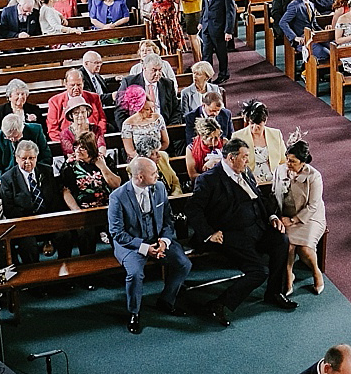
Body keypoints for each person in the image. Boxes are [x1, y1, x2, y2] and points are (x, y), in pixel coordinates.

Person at [188, 140, 297, 324]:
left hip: (257, 227)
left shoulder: (245, 172)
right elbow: (193, 209)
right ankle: (218, 304)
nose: (248, 160)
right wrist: (210, 233)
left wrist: (272, 216)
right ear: (231, 157)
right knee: (259, 271)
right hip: (231, 235)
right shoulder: (209, 179)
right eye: (244, 156)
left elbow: (259, 197)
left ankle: (273, 292)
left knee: (281, 241)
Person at [108, 157, 192, 334]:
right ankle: (134, 312)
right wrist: (145, 248)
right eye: (153, 173)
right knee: (135, 273)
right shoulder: (118, 197)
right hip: (131, 244)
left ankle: (166, 301)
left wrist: (164, 241)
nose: (158, 176)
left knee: (184, 264)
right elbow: (117, 233)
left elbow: (168, 219)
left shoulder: (159, 188)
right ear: (139, 177)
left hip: (157, 238)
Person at [59, 132, 122, 256]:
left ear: (91, 149)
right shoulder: (70, 165)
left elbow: (116, 184)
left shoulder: (104, 160)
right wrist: (77, 211)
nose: (77, 151)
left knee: (118, 228)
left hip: (107, 207)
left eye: (82, 148)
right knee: (86, 234)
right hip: (84, 210)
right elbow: (66, 191)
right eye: (75, 147)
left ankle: (122, 259)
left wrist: (103, 167)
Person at [276, 141, 327, 295]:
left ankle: (316, 273)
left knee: (305, 249)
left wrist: (293, 220)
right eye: (287, 159)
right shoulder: (280, 171)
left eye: (292, 161)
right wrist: (281, 217)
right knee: (288, 245)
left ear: (303, 162)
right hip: (287, 215)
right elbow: (274, 194)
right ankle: (289, 275)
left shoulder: (314, 176)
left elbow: (313, 206)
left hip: (310, 217)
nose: (288, 164)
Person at [0, 140, 62, 259]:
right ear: (17, 158)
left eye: (31, 158)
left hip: (49, 219)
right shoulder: (8, 179)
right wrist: (32, 222)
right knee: (27, 245)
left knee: (64, 235)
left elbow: (55, 198)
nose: (27, 162)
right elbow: (9, 209)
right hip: (25, 223)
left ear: (36, 158)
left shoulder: (47, 171)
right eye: (23, 158)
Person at [118, 85, 181, 190]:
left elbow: (165, 142)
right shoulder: (128, 124)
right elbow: (130, 150)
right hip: (138, 160)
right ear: (138, 109)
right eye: (147, 109)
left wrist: (154, 154)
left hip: (158, 155)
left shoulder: (157, 118)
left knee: (170, 177)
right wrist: (146, 159)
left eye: (153, 108)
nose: (152, 112)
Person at [117, 53, 182, 130]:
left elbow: (176, 110)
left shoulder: (168, 84)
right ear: (144, 68)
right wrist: (128, 131)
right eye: (154, 70)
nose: (158, 74)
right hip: (138, 129)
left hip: (165, 127)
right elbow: (120, 111)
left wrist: (170, 129)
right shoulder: (129, 83)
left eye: (160, 70)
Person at [231, 99, 287, 185]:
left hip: (274, 176)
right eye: (252, 123)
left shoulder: (276, 134)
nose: (254, 127)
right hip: (249, 177)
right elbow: (234, 163)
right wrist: (249, 177)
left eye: (259, 125)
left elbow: (283, 160)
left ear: (265, 121)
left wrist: (280, 176)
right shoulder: (238, 136)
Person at [199, 0, 236, 83]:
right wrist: (201, 21)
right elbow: (204, 6)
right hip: (206, 26)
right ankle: (207, 77)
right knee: (206, 53)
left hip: (219, 28)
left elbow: (230, 12)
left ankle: (224, 74)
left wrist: (229, 31)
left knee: (221, 53)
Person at [49, 69, 106, 142]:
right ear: (65, 84)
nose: (76, 88)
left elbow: (102, 120)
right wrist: (66, 144)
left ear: (83, 83)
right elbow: (53, 130)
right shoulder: (55, 102)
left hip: (93, 139)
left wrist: (97, 137)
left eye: (79, 85)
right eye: (72, 85)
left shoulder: (94, 97)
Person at [280, 0, 320, 71]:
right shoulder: (294, 6)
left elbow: (313, 23)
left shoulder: (311, 4)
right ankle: (306, 71)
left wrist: (323, 33)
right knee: (325, 53)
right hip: (302, 40)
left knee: (332, 46)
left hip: (313, 37)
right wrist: (294, 37)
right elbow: (283, 22)